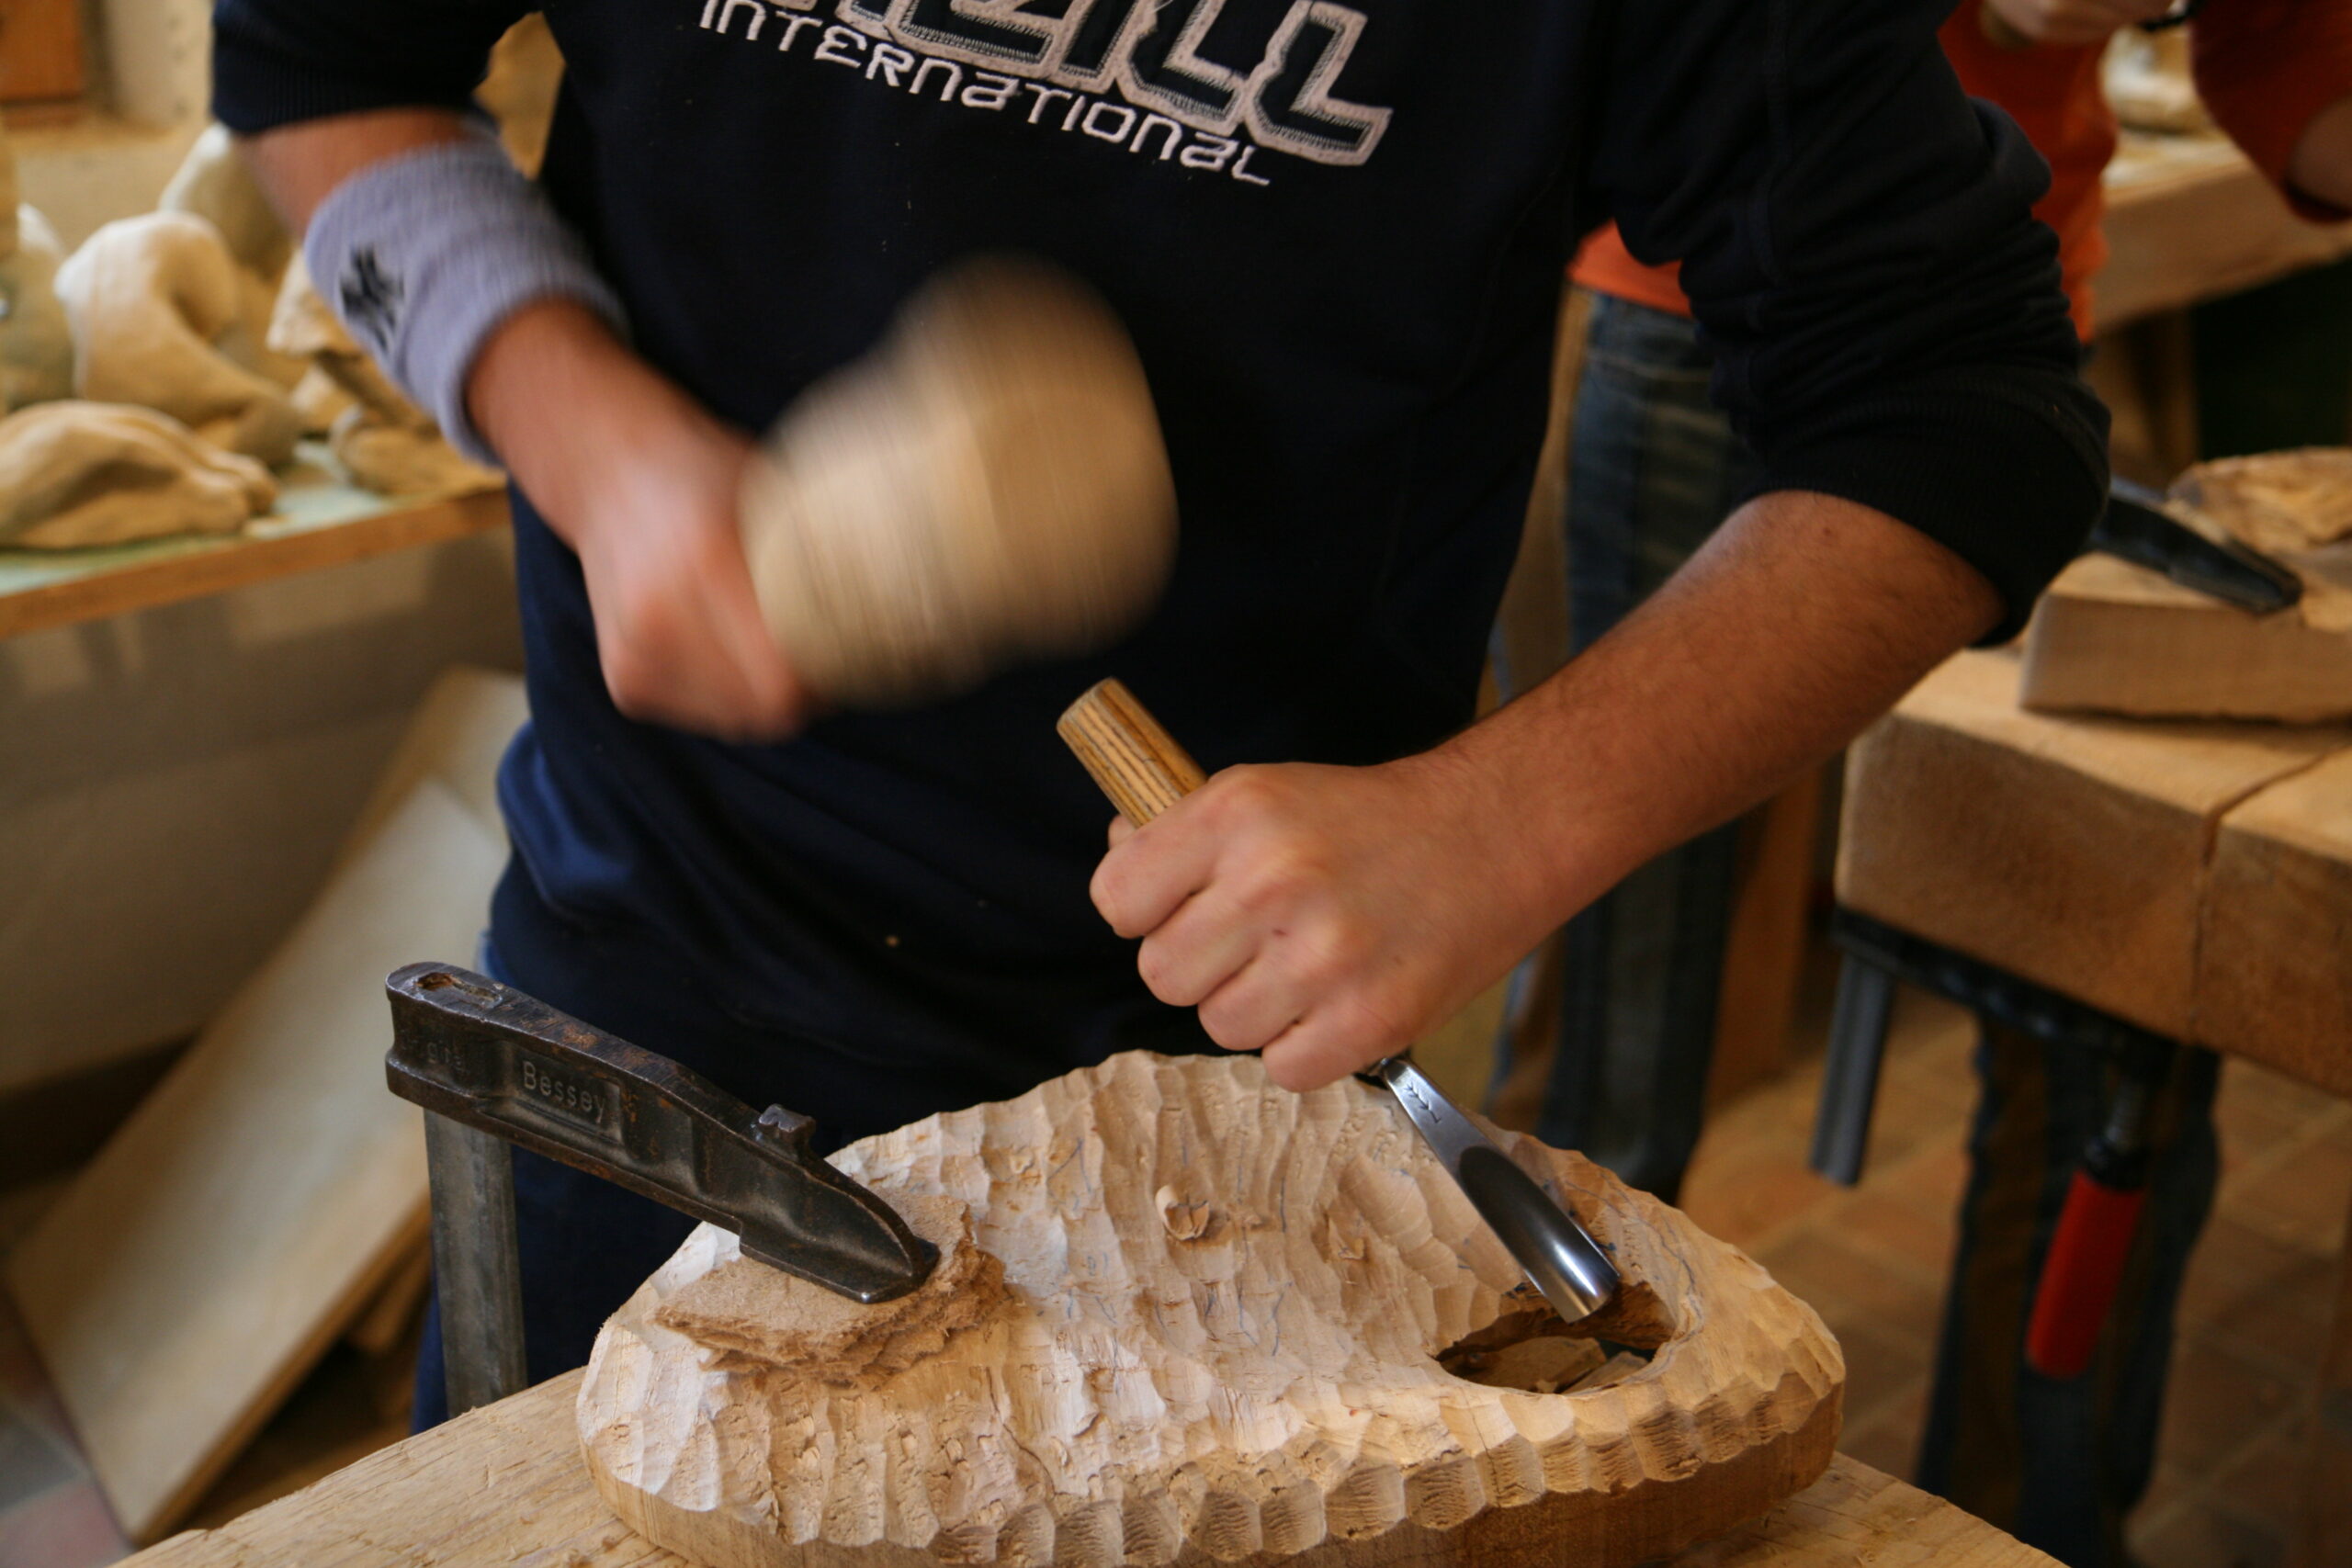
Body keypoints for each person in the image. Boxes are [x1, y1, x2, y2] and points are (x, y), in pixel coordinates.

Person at [211, 0, 2105, 1435]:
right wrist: (590, 442)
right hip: (652, 1005)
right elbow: (319, 55)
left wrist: (1501, 817)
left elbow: (1960, 400)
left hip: (1211, 1123)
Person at [1502, 2, 2351, 1562]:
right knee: (1622, 994)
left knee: (2103, 984)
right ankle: (1535, 1479)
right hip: (1704, 284)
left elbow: (2286, 52)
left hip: (2000, 329)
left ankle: (2031, 1518)